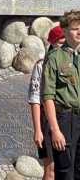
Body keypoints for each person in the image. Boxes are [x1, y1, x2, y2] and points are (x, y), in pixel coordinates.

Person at [43, 11, 80, 179]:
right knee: (66, 172)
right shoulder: (55, 58)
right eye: (75, 29)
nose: (79, 32)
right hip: (65, 120)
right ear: (65, 31)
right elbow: (48, 97)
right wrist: (55, 130)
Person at [28, 25, 65, 180]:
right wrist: (38, 130)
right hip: (48, 121)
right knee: (51, 170)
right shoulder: (41, 65)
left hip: (69, 119)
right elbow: (35, 99)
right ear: (53, 43)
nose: (64, 46)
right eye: (61, 43)